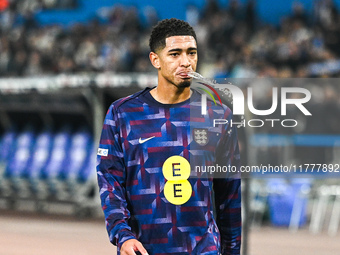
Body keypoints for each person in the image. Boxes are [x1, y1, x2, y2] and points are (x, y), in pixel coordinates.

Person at [96, 18, 241, 255]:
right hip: (143, 249)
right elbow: (110, 181)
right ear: (156, 59)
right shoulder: (123, 114)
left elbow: (230, 196)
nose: (186, 62)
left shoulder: (218, 116)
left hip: (203, 249)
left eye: (191, 53)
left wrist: (233, 251)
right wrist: (122, 235)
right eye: (175, 54)